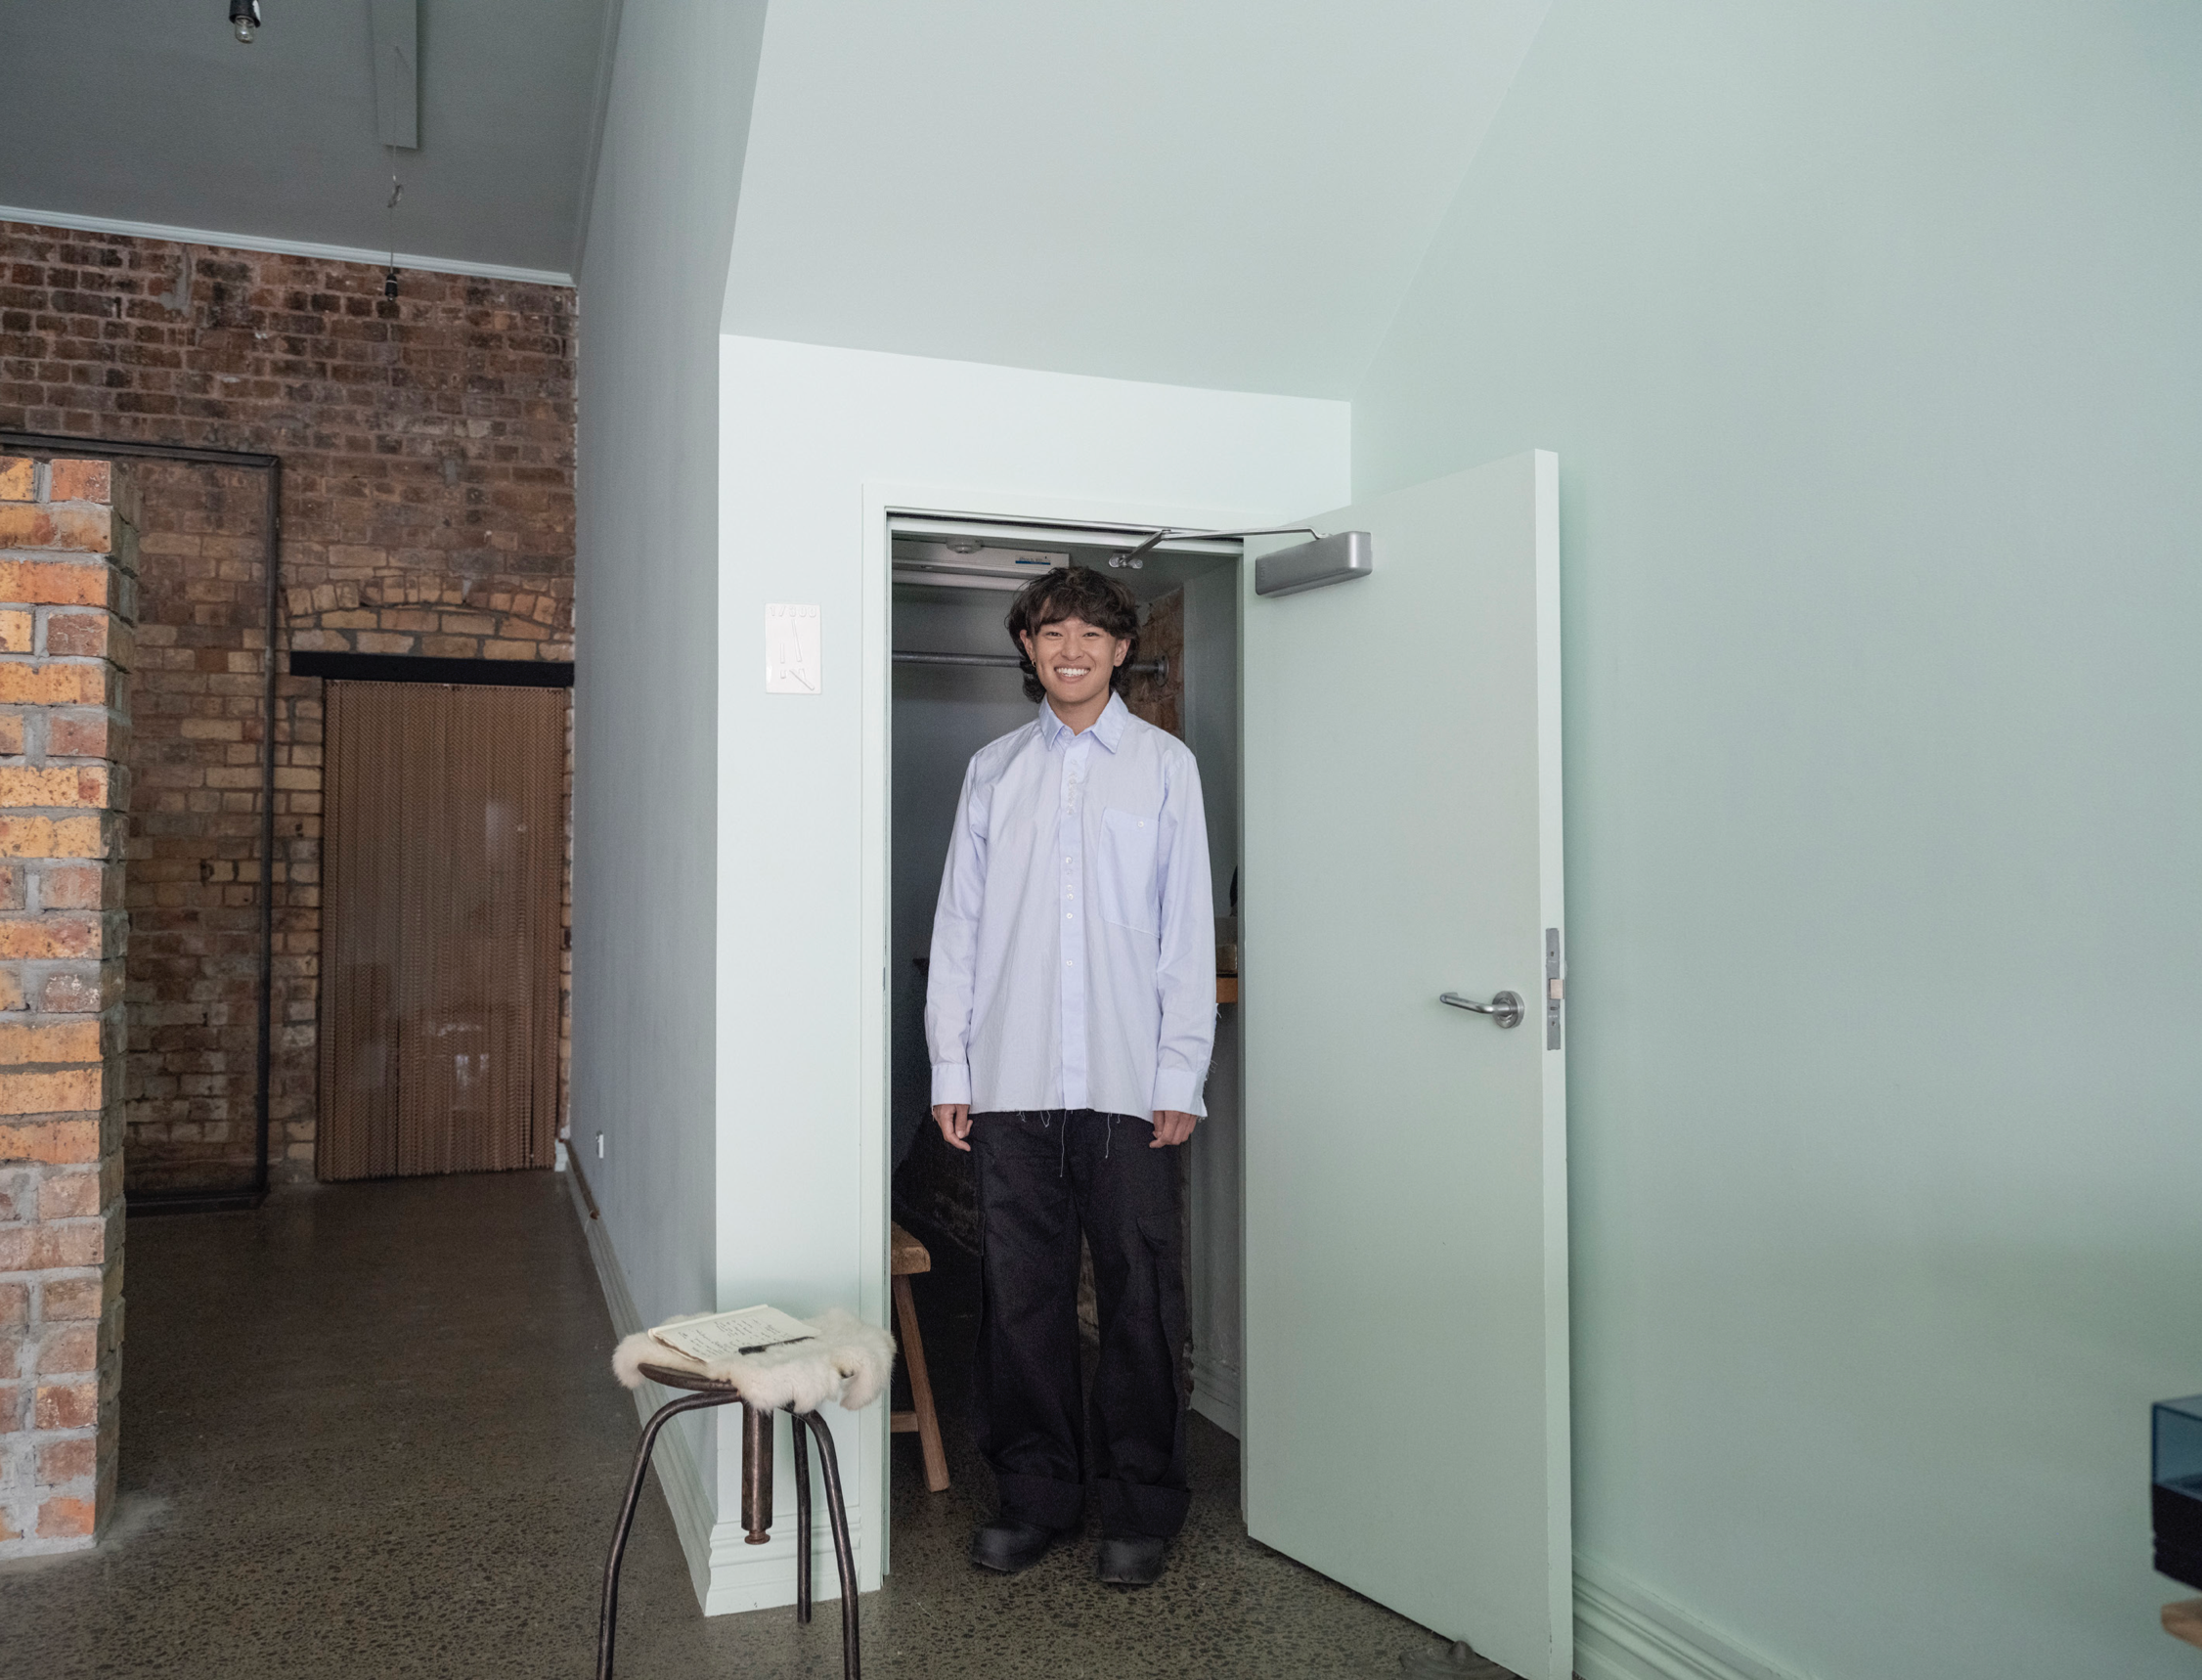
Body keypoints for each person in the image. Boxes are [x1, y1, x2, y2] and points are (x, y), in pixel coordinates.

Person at [924, 562, 1214, 1589]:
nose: (1072, 647)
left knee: (1140, 1297)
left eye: (1091, 630)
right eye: (1051, 631)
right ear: (1026, 647)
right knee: (1020, 1299)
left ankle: (1142, 1502)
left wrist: (1179, 1070)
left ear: (1121, 647)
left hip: (1130, 1085)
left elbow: (1187, 929)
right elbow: (957, 925)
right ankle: (1034, 1491)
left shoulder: (1164, 767)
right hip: (1008, 1080)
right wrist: (949, 1062)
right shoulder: (993, 771)